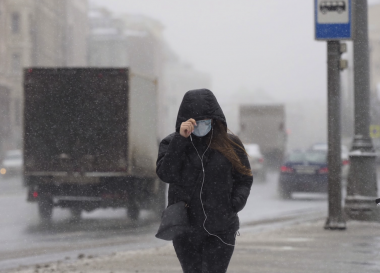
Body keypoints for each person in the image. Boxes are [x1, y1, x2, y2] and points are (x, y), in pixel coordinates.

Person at [156, 89, 253, 273]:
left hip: (221, 229)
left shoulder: (229, 145)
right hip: (185, 230)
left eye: (206, 121)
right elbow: (166, 174)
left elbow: (244, 177)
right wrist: (181, 139)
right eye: (196, 122)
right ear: (186, 120)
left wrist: (233, 204)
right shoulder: (172, 143)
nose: (201, 125)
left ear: (214, 119)